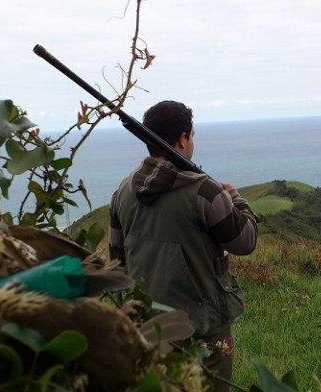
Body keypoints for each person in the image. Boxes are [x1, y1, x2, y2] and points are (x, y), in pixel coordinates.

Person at [108, 100, 258, 391]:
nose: (193, 141)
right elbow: (246, 241)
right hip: (205, 324)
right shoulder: (205, 192)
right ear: (182, 139)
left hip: (151, 322)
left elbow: (117, 260)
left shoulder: (121, 193)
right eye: (192, 135)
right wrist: (237, 200)